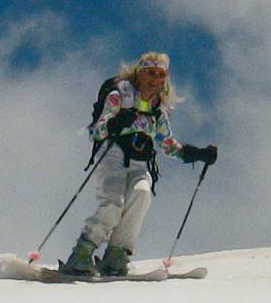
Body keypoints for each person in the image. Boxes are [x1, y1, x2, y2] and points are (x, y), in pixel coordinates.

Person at [62, 52, 218, 276]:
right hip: (113, 157)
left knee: (142, 194)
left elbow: (168, 144)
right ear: (139, 74)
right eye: (150, 73)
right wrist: (116, 123)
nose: (155, 79)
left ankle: (117, 255)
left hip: (140, 163)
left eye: (160, 75)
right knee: (113, 204)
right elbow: (97, 130)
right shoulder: (119, 96)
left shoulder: (157, 110)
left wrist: (198, 154)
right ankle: (82, 254)